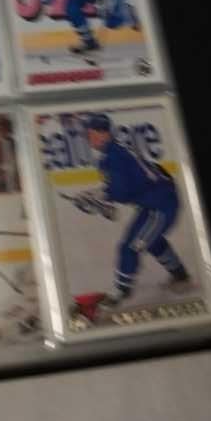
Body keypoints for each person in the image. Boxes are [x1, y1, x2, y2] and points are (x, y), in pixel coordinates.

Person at [84, 114, 191, 311]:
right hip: (156, 203)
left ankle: (121, 291)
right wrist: (98, 195)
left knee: (130, 247)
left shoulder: (113, 157)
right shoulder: (115, 151)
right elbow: (132, 183)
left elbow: (121, 193)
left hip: (161, 206)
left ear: (104, 134)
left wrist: (100, 199)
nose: (88, 138)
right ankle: (180, 275)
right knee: (152, 241)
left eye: (91, 133)